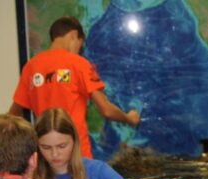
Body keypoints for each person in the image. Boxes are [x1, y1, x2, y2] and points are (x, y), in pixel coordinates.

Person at [9, 16, 140, 158]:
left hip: (46, 154)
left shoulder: (31, 67)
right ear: (73, 35)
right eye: (80, 45)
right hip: (76, 154)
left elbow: (13, 114)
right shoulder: (79, 64)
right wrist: (129, 118)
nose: (79, 50)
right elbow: (106, 110)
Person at [34, 108, 187, 179]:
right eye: (46, 147)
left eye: (62, 146)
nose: (55, 154)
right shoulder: (29, 175)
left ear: (74, 141)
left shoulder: (95, 171)